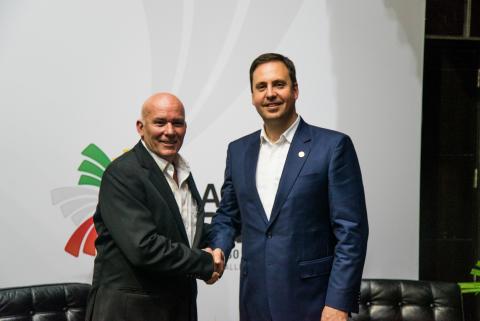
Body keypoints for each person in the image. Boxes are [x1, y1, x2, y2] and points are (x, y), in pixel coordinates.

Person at [209, 53, 369, 321]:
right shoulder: (238, 151)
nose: (270, 94)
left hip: (313, 304)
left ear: (295, 90)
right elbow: (228, 215)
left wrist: (338, 303)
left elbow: (351, 233)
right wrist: (218, 249)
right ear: (252, 96)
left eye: (279, 84)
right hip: (254, 301)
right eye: (261, 87)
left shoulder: (332, 147)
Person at [85, 93, 223, 321]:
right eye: (160, 122)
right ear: (141, 127)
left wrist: (226, 235)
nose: (170, 131)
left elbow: (184, 233)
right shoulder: (123, 173)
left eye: (177, 123)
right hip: (131, 313)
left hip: (177, 308)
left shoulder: (182, 172)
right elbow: (144, 247)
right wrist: (205, 263)